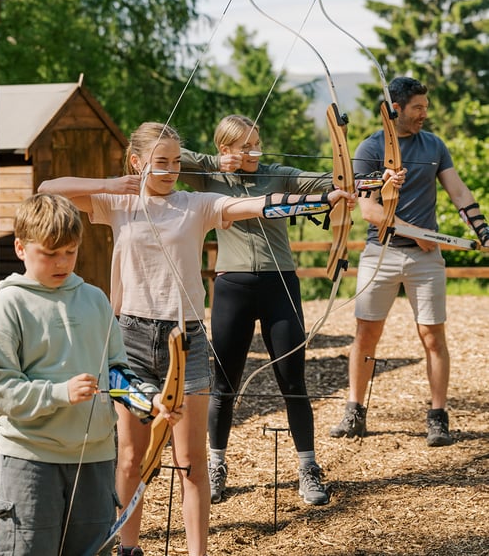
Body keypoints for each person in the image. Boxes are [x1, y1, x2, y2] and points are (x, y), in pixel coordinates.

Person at [39, 122, 355, 556]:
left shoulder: (196, 204)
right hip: (126, 343)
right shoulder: (118, 202)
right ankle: (128, 549)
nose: (170, 171)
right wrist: (115, 183)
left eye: (175, 162)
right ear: (138, 163)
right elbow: (47, 189)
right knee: (131, 458)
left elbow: (261, 205)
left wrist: (321, 199)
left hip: (185, 343)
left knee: (190, 464)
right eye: (161, 163)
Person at [0, 193, 180, 556]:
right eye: (49, 253)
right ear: (21, 248)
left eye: (69, 252)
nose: (61, 262)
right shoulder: (8, 304)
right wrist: (59, 393)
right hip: (31, 459)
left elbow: (115, 370)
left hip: (95, 459)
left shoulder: (95, 299)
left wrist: (149, 402)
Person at [179, 114, 358, 507]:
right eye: (244, 146)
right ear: (226, 149)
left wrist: (369, 180)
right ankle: (216, 465)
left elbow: (329, 179)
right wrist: (214, 163)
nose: (254, 151)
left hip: (281, 286)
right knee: (224, 385)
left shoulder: (276, 175)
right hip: (232, 288)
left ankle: (308, 469)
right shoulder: (210, 179)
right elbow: (168, 159)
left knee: (294, 383)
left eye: (256, 141)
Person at [330, 77, 489, 446]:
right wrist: (414, 229)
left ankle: (438, 417)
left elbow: (459, 191)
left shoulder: (434, 145)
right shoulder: (370, 149)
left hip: (425, 258)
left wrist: (482, 229)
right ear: (395, 109)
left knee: (433, 336)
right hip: (380, 254)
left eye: (426, 107)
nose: (424, 114)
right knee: (366, 334)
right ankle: (354, 411)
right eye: (417, 107)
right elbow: (368, 209)